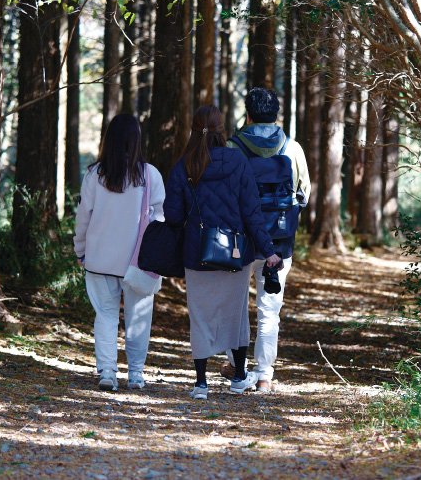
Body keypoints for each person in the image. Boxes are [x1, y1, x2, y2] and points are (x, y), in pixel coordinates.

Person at [164, 105, 282, 399]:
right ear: (223, 130)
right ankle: (239, 377)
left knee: (200, 316)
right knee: (235, 315)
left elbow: (173, 215)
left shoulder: (184, 165)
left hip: (196, 253)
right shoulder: (237, 161)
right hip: (234, 253)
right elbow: (252, 212)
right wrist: (269, 251)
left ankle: (201, 383)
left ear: (194, 129)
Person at [222, 88, 310, 393]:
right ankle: (264, 374)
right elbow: (304, 195)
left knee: (235, 306)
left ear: (248, 113)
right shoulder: (292, 148)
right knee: (269, 309)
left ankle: (237, 367)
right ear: (277, 114)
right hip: (279, 242)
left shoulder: (233, 147)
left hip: (238, 241)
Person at [74, 113, 165, 391]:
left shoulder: (95, 174)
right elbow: (160, 220)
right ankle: (135, 374)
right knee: (139, 317)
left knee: (105, 315)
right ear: (137, 140)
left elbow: (83, 219)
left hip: (100, 259)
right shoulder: (149, 175)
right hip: (139, 261)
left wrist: (80, 250)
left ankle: (108, 373)